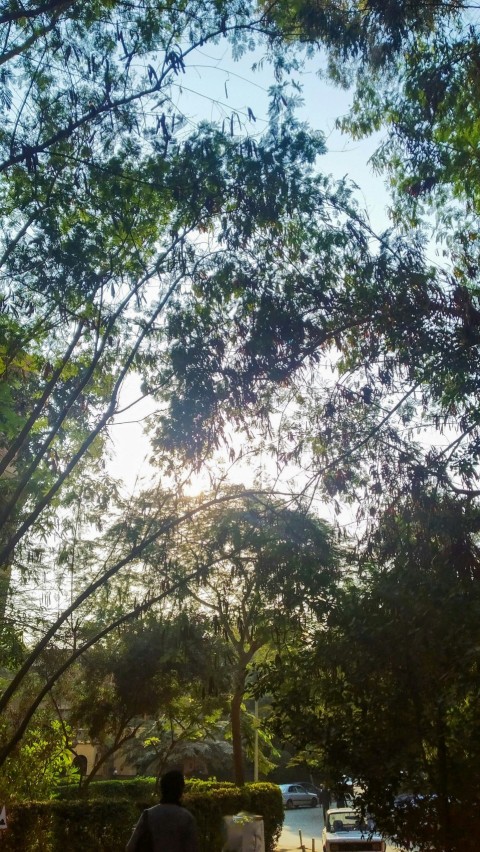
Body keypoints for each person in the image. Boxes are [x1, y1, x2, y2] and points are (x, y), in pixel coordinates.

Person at [126, 770, 199, 852]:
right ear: (181, 790)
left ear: (162, 789)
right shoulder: (187, 818)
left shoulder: (148, 815)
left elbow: (131, 847)